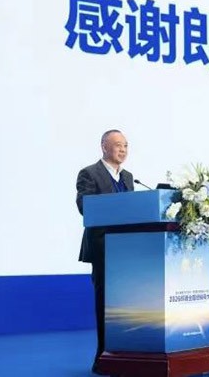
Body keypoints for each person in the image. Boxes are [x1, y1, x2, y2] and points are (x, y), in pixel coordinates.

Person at [75, 129, 134, 374]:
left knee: (126, 303)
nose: (123, 149)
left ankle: (125, 354)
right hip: (102, 248)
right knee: (105, 302)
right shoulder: (89, 173)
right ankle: (103, 357)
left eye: (126, 145)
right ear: (104, 147)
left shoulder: (128, 177)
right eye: (118, 145)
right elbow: (85, 206)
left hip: (127, 249)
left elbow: (134, 210)